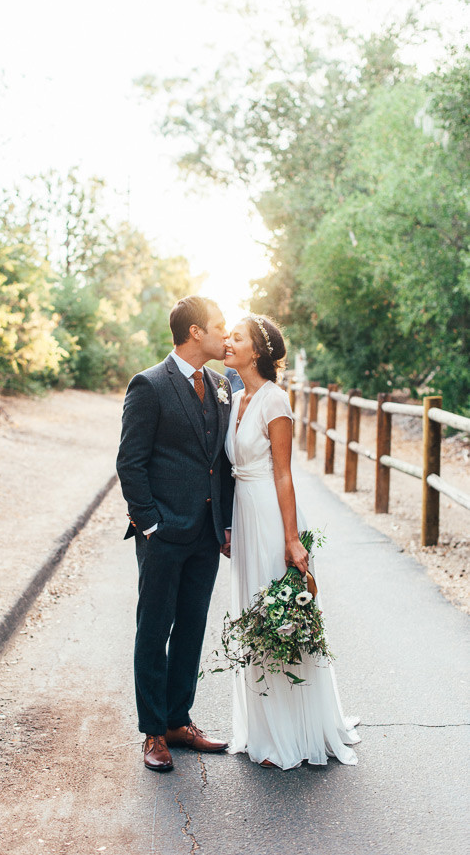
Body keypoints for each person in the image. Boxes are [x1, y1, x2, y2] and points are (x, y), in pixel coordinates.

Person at [223, 314, 360, 769]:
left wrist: (291, 539)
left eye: (236, 337)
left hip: (271, 515)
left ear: (257, 351)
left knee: (279, 615)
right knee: (254, 615)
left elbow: (284, 473)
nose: (228, 341)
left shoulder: (275, 400)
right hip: (244, 514)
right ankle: (263, 728)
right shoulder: (236, 396)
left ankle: (291, 734)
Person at [116, 296, 235, 772]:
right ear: (193, 333)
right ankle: (152, 733)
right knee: (154, 629)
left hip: (206, 535)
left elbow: (220, 462)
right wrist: (150, 524)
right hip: (162, 535)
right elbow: (130, 461)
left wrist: (223, 523)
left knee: (191, 628)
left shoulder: (222, 383)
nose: (226, 336)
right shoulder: (149, 385)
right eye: (219, 328)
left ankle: (178, 721)